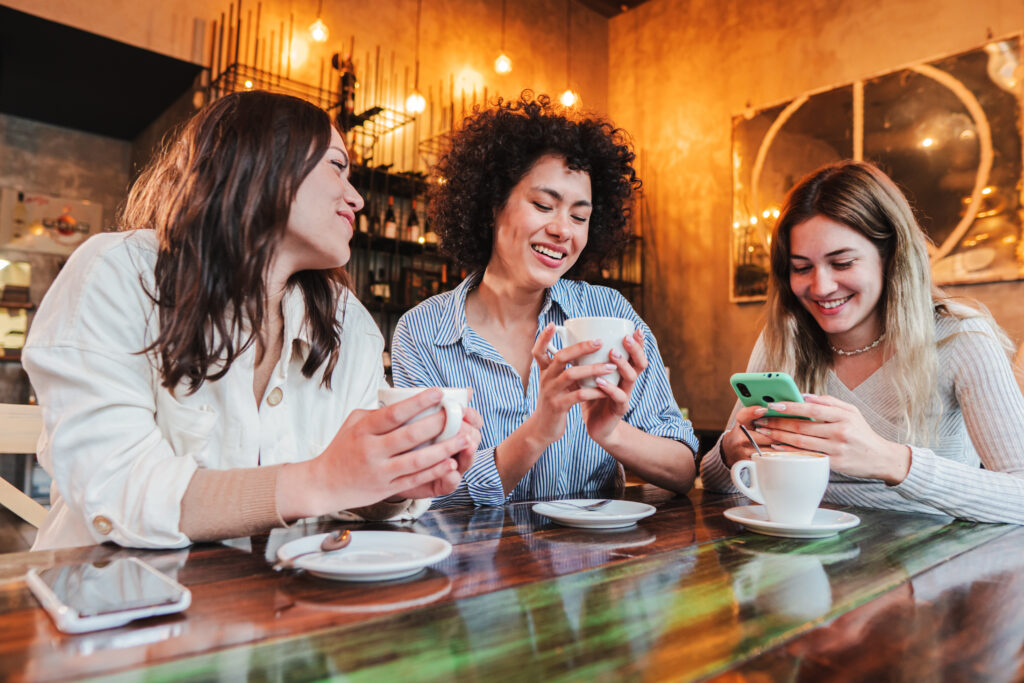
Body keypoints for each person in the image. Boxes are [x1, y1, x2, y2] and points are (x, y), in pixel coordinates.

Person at [23, 91, 482, 550]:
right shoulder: (119, 272)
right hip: (108, 600)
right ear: (262, 160)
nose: (357, 198)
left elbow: (347, 493)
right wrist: (320, 479)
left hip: (280, 603)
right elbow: (122, 489)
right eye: (337, 167)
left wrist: (395, 479)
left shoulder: (350, 323)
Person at [391, 93, 697, 507]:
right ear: (491, 205)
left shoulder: (609, 316)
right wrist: (538, 430)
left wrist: (610, 433)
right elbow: (421, 496)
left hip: (594, 565)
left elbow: (682, 470)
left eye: (579, 216)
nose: (562, 230)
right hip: (479, 569)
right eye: (543, 205)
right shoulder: (423, 331)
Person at [700, 160, 1024, 523]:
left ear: (891, 258)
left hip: (926, 563)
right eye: (802, 267)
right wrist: (730, 450)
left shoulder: (961, 340)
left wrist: (890, 461)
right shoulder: (784, 338)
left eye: (842, 263)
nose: (821, 287)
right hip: (805, 557)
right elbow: (719, 487)